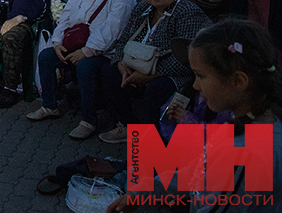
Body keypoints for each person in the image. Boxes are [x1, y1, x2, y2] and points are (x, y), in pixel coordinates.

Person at [107, 18, 282, 213]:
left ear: (238, 81)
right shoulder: (244, 122)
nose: (195, 85)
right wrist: (145, 189)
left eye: (201, 76)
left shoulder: (247, 153)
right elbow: (201, 173)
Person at [28, 0, 136, 139]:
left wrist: (86, 51)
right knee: (46, 56)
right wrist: (57, 42)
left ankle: (88, 121)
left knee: (85, 67)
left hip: (107, 51)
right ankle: (49, 105)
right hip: (78, 44)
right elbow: (66, 15)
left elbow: (113, 29)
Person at [96, 0, 212, 144]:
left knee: (156, 89)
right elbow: (123, 40)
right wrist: (121, 64)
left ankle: (154, 140)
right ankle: (127, 126)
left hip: (174, 73)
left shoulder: (187, 12)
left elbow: (185, 58)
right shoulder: (143, 8)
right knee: (109, 72)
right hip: (138, 65)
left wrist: (148, 76)